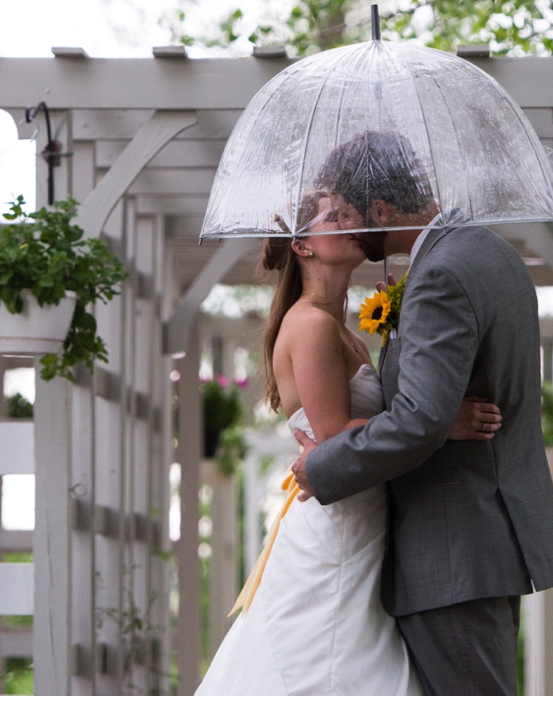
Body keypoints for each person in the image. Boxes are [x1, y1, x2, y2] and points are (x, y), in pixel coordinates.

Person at [291, 130, 553, 695]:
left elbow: (419, 422)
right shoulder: (490, 251)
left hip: (451, 554)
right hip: (476, 545)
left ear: (379, 208)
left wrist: (321, 465)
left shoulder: (442, 274)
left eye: (351, 214)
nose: (348, 227)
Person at [198, 191, 500, 696]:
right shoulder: (312, 324)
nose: (350, 220)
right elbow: (337, 435)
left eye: (349, 212)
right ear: (303, 247)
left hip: (364, 517)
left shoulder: (342, 329)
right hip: (336, 527)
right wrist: (439, 422)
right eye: (333, 217)